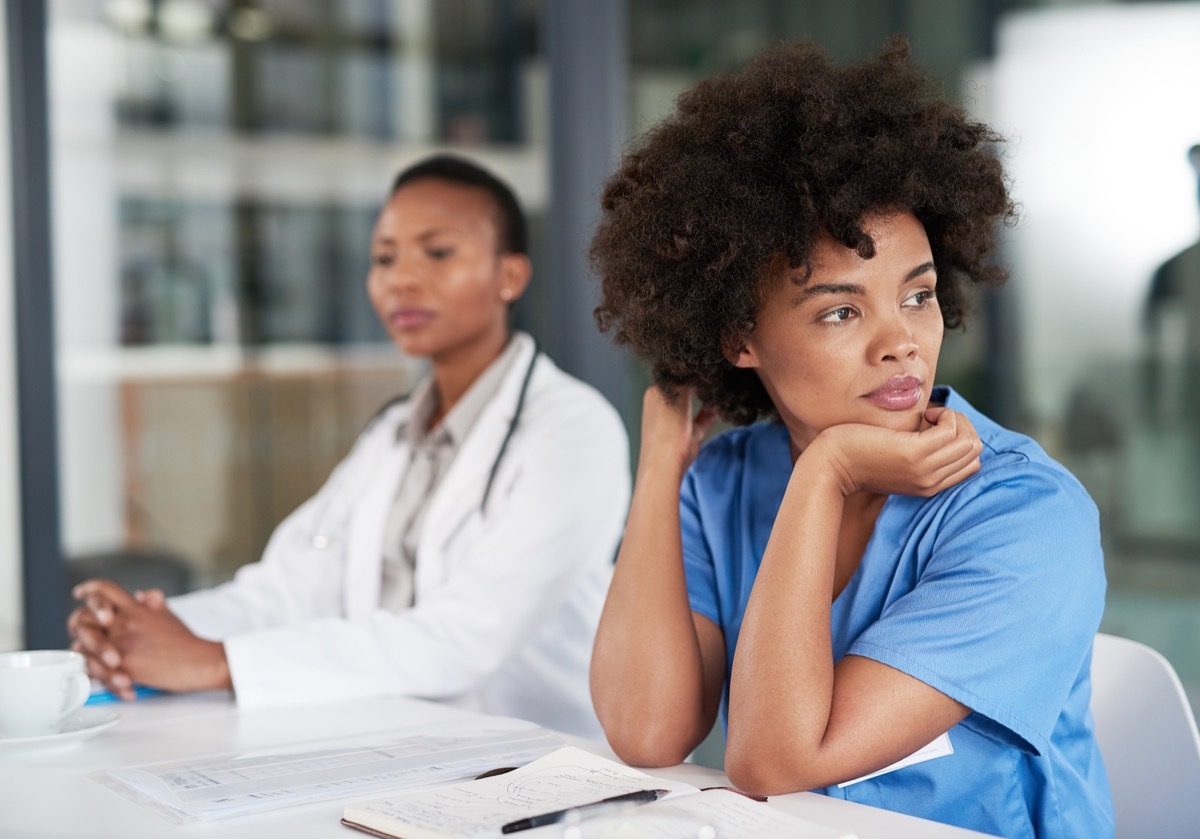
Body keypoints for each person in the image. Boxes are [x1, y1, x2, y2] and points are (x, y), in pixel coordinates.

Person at [588, 38, 1112, 838]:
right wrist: (662, 462)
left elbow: (776, 758)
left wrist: (827, 466)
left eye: (919, 295)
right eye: (841, 311)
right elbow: (647, 731)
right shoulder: (726, 478)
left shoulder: (1027, 514)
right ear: (739, 336)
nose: (899, 342)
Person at [69, 154, 631, 737]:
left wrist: (214, 662)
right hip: (389, 745)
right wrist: (142, 629)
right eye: (384, 257)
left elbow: (466, 637)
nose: (401, 278)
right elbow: (285, 591)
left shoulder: (573, 430)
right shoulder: (391, 435)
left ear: (509, 276)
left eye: (437, 252)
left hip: (535, 767)